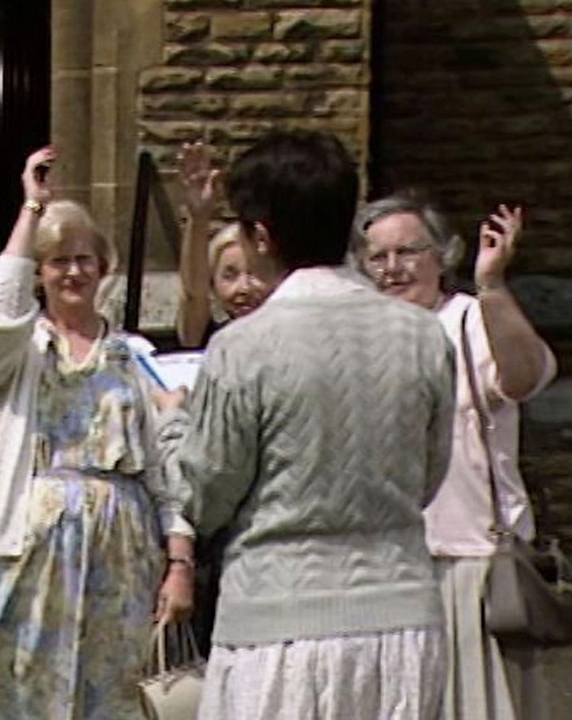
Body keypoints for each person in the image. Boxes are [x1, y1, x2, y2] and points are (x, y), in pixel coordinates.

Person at [156, 130, 455, 719]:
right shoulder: (422, 334)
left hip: (277, 622)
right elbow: (426, 476)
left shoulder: (245, 345)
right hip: (401, 621)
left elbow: (205, 494)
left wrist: (172, 427)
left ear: (262, 236)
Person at [0, 147, 195, 720]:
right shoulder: (19, 349)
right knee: (19, 692)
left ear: (103, 268)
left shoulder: (131, 356)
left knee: (113, 694)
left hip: (123, 555)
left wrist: (179, 563)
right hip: (29, 550)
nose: (73, 272)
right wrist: (31, 208)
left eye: (84, 259)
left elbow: (164, 472)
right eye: (57, 262)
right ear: (39, 273)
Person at [353, 194, 557, 720]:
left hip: (467, 560)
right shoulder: (356, 335)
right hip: (382, 565)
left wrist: (492, 285)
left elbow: (524, 377)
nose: (392, 268)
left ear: (441, 256)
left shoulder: (470, 320)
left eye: (407, 252)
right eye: (378, 257)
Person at [173, 142, 271, 347]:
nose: (243, 288)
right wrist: (198, 218)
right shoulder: (209, 336)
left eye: (254, 273)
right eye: (229, 275)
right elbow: (194, 294)